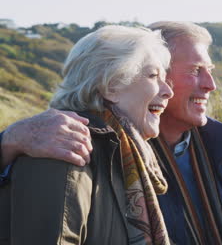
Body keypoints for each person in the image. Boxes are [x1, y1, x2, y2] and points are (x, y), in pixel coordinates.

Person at [0, 22, 222, 245]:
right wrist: (7, 142)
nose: (212, 85)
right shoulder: (69, 148)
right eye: (194, 71)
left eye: (209, 71)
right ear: (114, 83)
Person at [0, 25, 175, 244]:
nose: (168, 91)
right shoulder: (64, 145)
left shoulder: (126, 153)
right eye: (153, 76)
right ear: (111, 85)